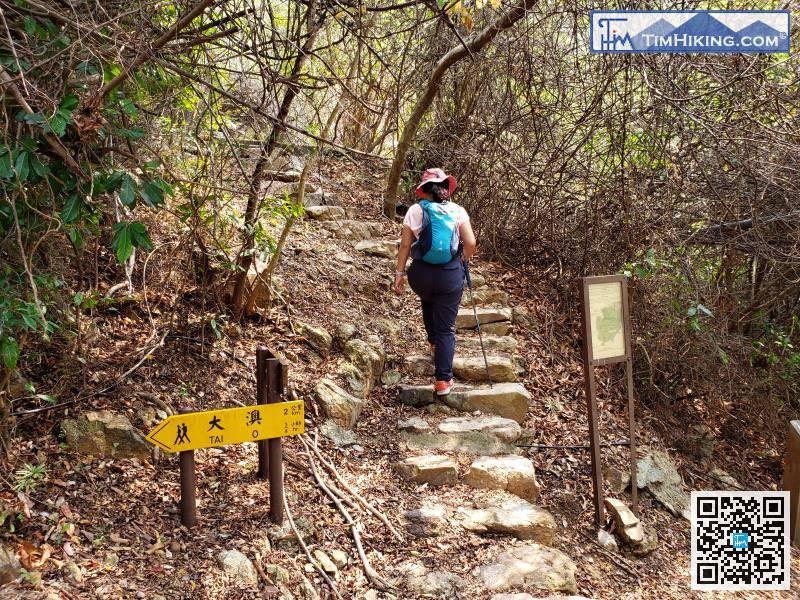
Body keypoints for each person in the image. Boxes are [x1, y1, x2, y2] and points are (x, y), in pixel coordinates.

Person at [393, 168, 476, 396]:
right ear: (444, 187)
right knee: (446, 329)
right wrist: (462, 260)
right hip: (449, 274)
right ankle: (442, 380)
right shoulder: (458, 211)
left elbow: (405, 246)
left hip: (420, 275)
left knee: (428, 299)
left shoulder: (414, 210)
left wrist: (399, 275)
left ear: (424, 189)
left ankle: (432, 341)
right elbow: (470, 242)